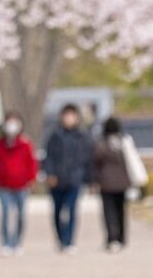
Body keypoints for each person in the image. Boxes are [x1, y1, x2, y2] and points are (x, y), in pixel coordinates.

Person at [0, 110, 39, 255]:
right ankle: (5, 243)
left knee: (21, 215)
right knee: (5, 214)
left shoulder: (25, 143)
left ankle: (17, 242)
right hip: (4, 185)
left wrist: (32, 179)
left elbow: (31, 163)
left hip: (22, 185)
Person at [42, 102, 94, 251]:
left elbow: (88, 160)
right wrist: (50, 174)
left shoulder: (83, 137)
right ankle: (60, 238)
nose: (69, 118)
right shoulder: (55, 135)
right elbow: (48, 157)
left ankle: (69, 241)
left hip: (74, 179)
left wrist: (90, 180)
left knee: (71, 210)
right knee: (58, 211)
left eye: (72, 115)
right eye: (67, 115)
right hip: (57, 179)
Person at [89, 115, 145, 252]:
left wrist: (94, 181)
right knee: (121, 211)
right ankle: (122, 237)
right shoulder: (124, 142)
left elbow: (95, 163)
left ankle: (112, 238)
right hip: (122, 183)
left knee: (108, 212)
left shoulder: (101, 143)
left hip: (106, 183)